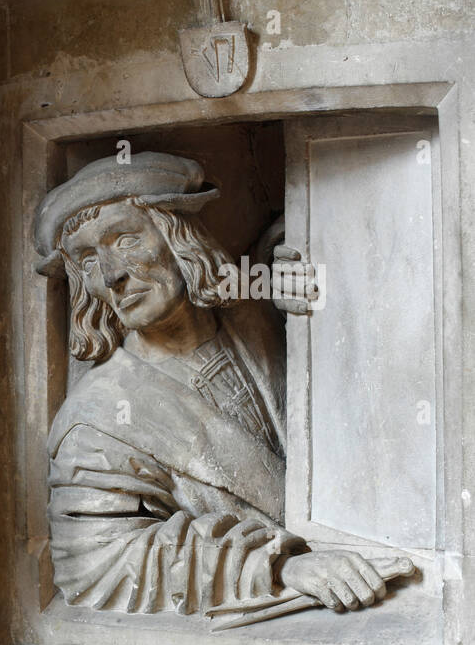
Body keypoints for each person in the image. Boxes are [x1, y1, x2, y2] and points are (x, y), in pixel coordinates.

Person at [35, 151, 390, 616]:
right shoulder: (98, 421)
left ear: (179, 236)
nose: (111, 274)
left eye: (125, 240)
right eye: (85, 261)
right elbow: (97, 565)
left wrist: (297, 279)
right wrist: (278, 567)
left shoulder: (257, 320)